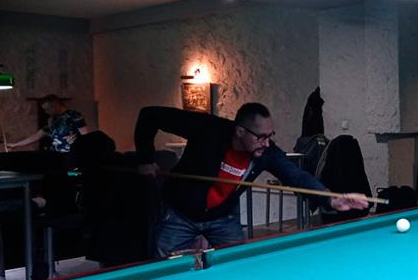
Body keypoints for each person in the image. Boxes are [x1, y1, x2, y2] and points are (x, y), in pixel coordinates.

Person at [135, 102, 369, 256]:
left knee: (238, 265)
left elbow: (295, 175)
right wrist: (145, 159)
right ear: (240, 131)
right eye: (261, 137)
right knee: (163, 270)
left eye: (270, 136)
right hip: (180, 214)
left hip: (222, 217)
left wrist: (331, 199)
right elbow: (149, 115)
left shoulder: (266, 152)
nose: (267, 143)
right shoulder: (207, 128)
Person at [7, 94, 89, 155]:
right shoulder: (52, 120)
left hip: (72, 155)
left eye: (47, 109)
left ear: (55, 105)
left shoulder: (74, 115)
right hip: (55, 156)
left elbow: (85, 136)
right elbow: (37, 135)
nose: (46, 112)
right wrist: (15, 145)